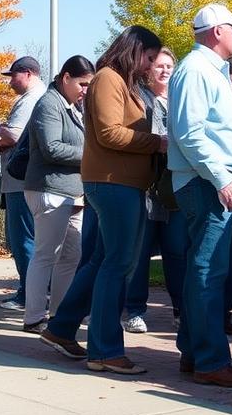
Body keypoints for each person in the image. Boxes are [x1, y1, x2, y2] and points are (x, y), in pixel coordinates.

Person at [39, 26, 165, 374]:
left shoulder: (123, 81)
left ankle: (61, 328)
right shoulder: (109, 78)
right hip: (113, 183)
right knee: (118, 264)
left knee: (102, 261)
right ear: (134, 50)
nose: (151, 65)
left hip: (119, 183)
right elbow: (110, 132)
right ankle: (105, 350)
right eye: (149, 58)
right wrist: (158, 143)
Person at [168, 4, 232, 389]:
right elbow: (190, 133)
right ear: (216, 31)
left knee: (203, 269)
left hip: (210, 181)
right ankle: (209, 360)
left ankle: (196, 353)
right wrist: (223, 177)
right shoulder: (194, 70)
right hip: (207, 183)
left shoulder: (207, 71)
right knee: (209, 271)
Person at [21, 55, 94, 334]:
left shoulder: (74, 106)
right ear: (65, 78)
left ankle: (59, 317)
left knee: (70, 257)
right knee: (45, 255)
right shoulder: (49, 104)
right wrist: (92, 155)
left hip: (73, 193)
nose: (86, 90)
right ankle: (34, 317)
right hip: (49, 190)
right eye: (82, 83)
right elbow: (52, 147)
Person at [123, 47, 187, 335]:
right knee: (140, 253)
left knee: (177, 252)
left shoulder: (180, 100)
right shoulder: (139, 98)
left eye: (169, 66)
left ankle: (181, 310)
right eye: (159, 65)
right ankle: (134, 310)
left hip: (175, 188)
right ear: (147, 69)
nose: (164, 71)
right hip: (147, 188)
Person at [0, 56, 46, 312]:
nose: (11, 81)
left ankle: (29, 295)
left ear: (27, 73)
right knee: (33, 241)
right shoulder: (41, 96)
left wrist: (0, 130)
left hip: (20, 181)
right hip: (28, 181)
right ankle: (35, 293)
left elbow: (14, 136)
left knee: (23, 240)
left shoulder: (30, 100)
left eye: (13, 75)